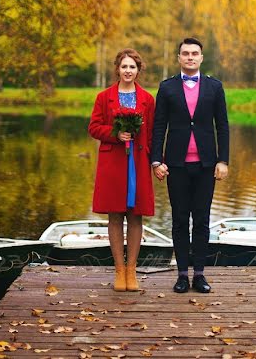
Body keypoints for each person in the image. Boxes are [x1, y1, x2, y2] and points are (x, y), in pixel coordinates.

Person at [151, 37, 229, 294]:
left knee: (203, 221)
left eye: (195, 53)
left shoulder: (215, 87)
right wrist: (156, 160)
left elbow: (223, 126)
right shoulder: (167, 87)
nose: (190, 57)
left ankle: (200, 275)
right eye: (185, 53)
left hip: (207, 165)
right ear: (179, 58)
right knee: (180, 220)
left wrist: (223, 160)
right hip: (177, 165)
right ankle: (182, 275)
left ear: (201, 58)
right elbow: (159, 125)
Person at [88, 48, 155, 292]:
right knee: (115, 215)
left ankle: (131, 270)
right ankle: (118, 270)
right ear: (117, 69)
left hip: (137, 162)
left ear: (138, 71)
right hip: (113, 163)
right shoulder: (104, 97)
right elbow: (94, 127)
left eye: (132, 67)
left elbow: (153, 134)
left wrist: (156, 160)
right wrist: (115, 134)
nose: (128, 71)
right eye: (124, 67)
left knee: (135, 215)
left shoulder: (147, 99)